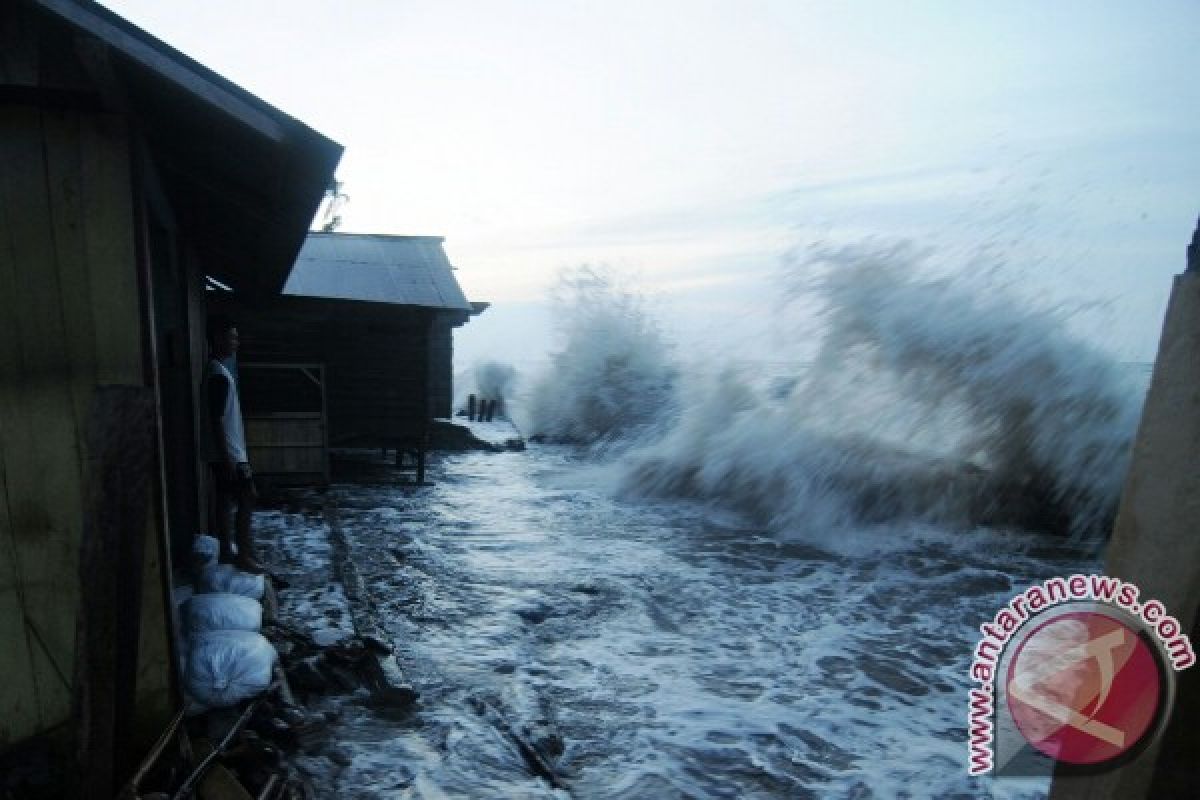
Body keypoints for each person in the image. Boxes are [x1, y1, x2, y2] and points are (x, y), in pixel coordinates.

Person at [204, 315, 264, 574]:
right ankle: (243, 555)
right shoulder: (218, 373)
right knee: (247, 497)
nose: (236, 342)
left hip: (228, 450)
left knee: (226, 499)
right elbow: (216, 419)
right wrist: (227, 457)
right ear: (218, 338)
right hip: (230, 452)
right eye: (232, 336)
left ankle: (229, 551)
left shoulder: (218, 370)